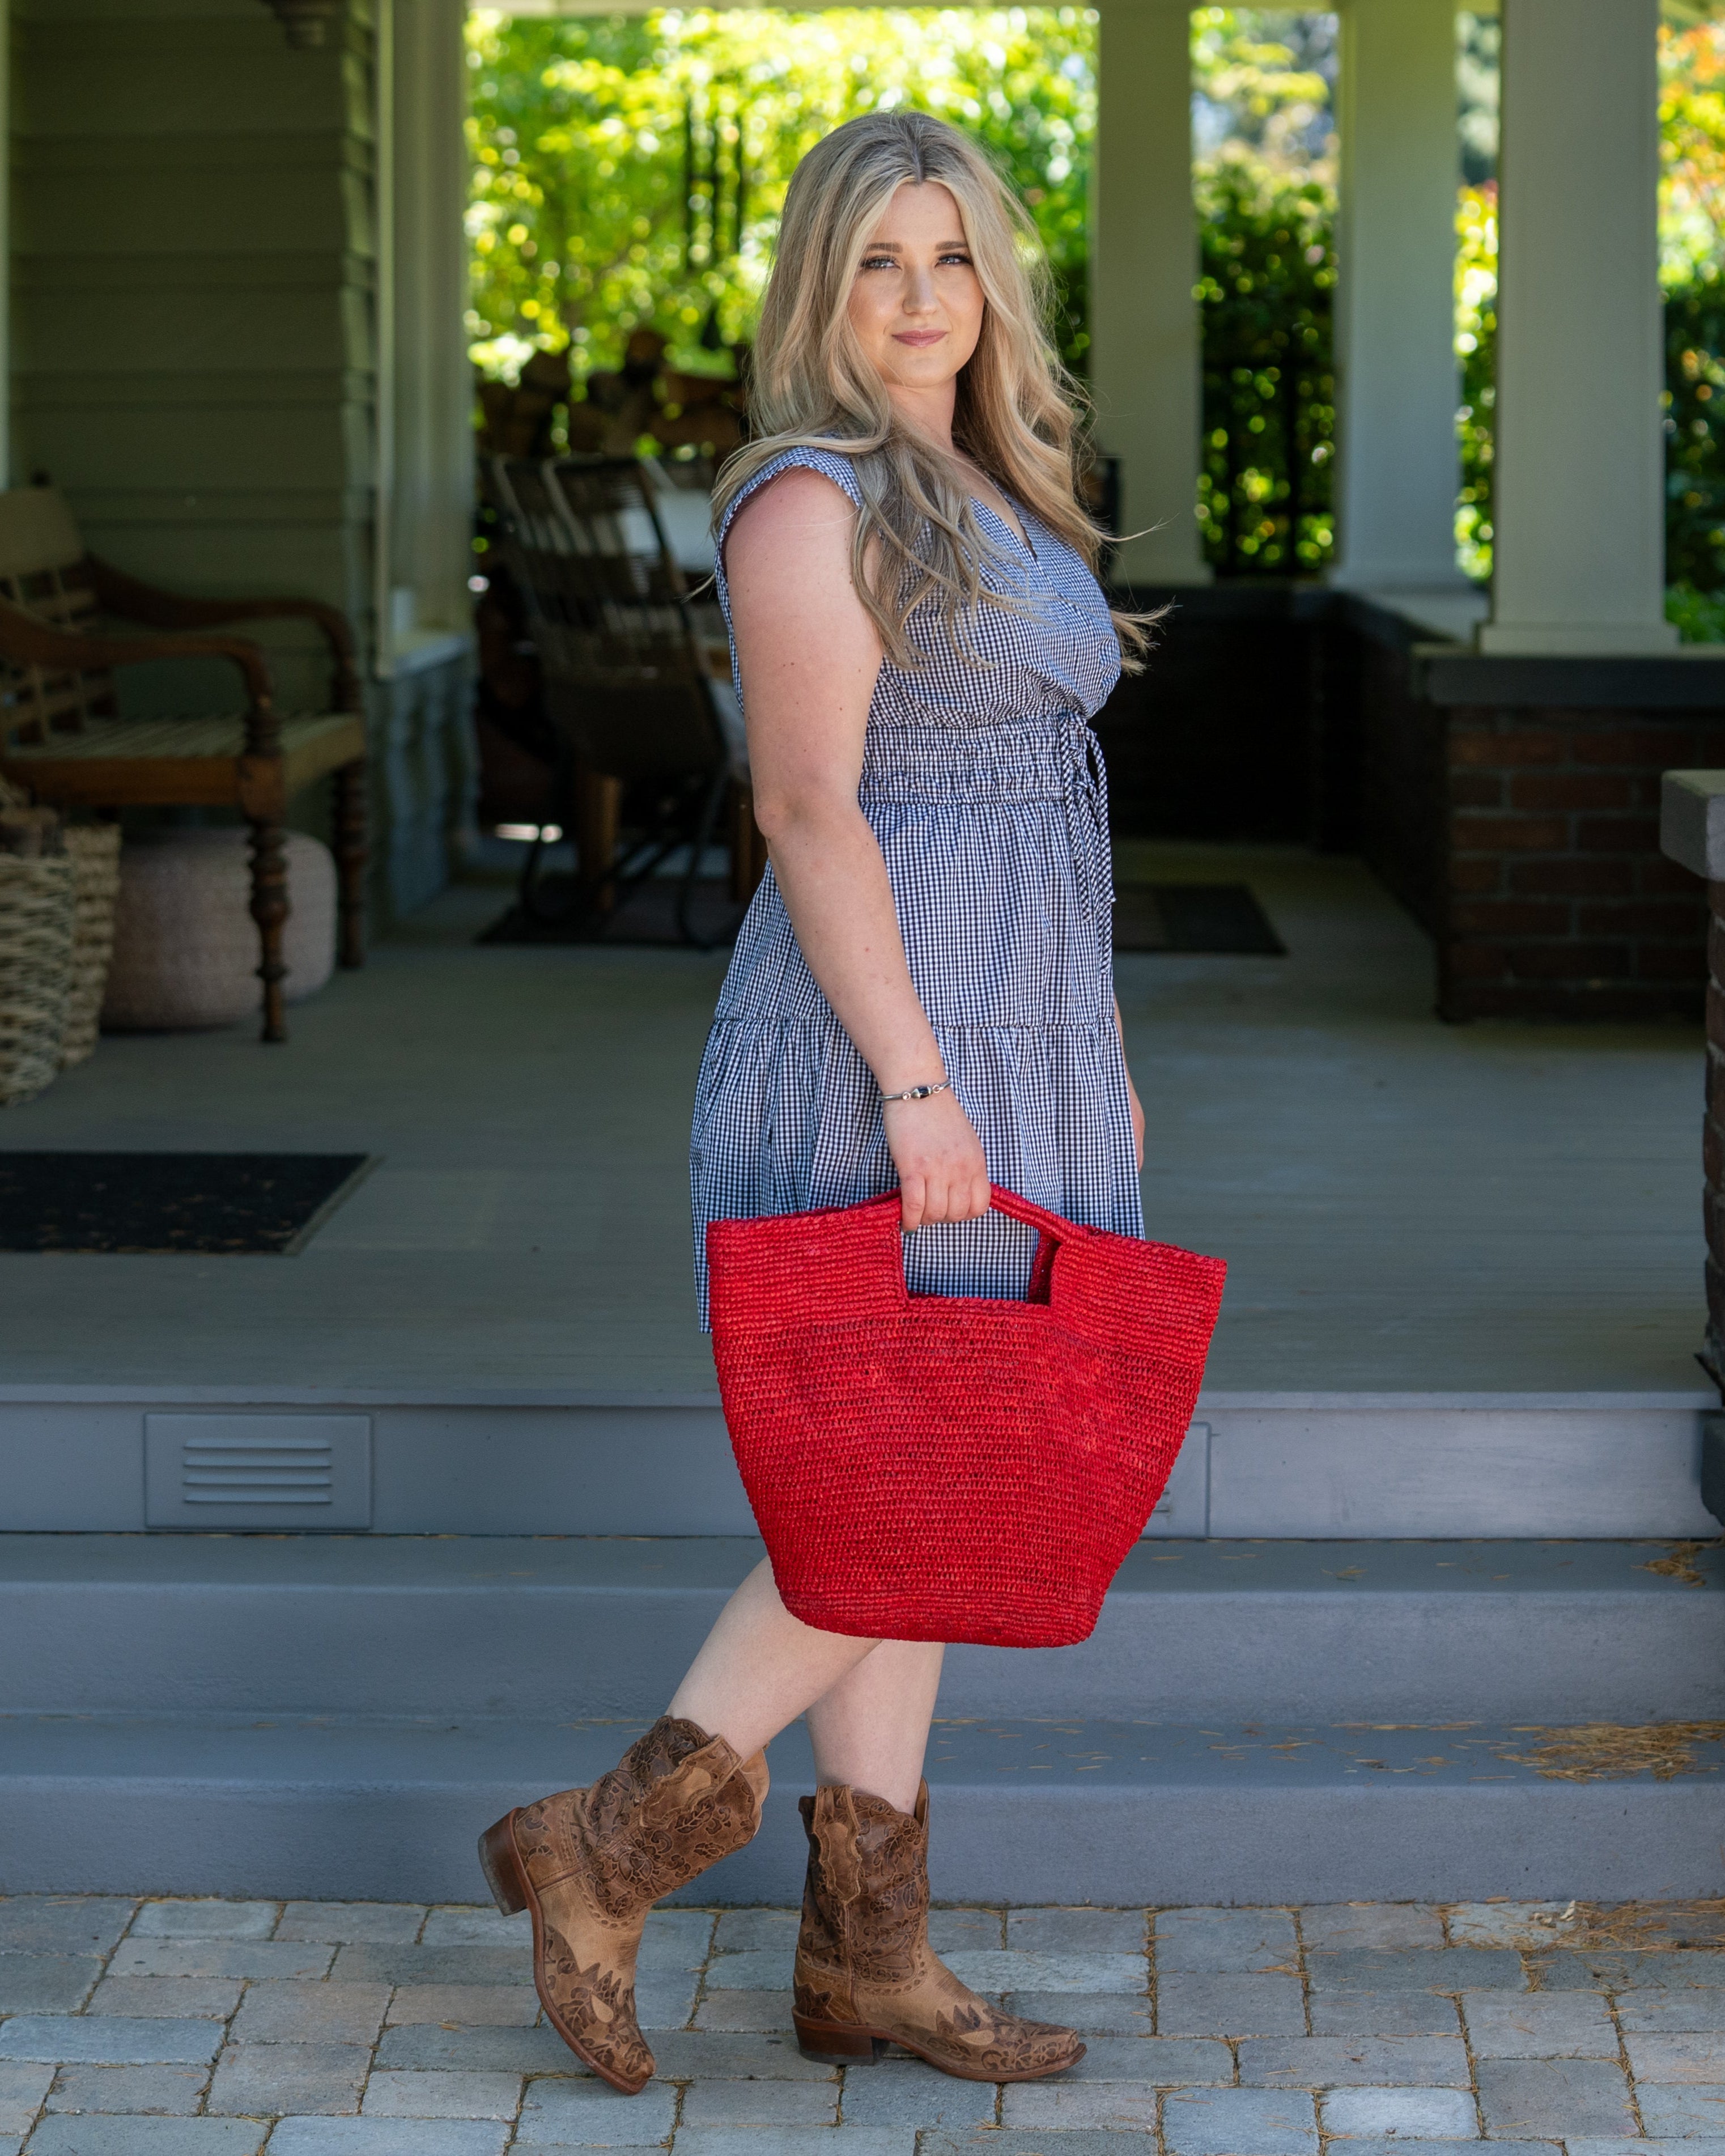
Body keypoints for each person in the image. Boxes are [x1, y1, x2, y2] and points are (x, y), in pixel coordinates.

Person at [479, 107, 1150, 2100]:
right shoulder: (805, 495)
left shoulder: (987, 475)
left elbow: (1036, 808)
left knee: (941, 1490)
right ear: (821, 284)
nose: (922, 301)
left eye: (950, 261)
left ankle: (870, 1962)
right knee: (893, 1497)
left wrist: (1083, 1059)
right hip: (880, 1056)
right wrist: (922, 1083)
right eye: (880, 263)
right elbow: (805, 810)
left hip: (1011, 1049)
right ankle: (597, 1857)